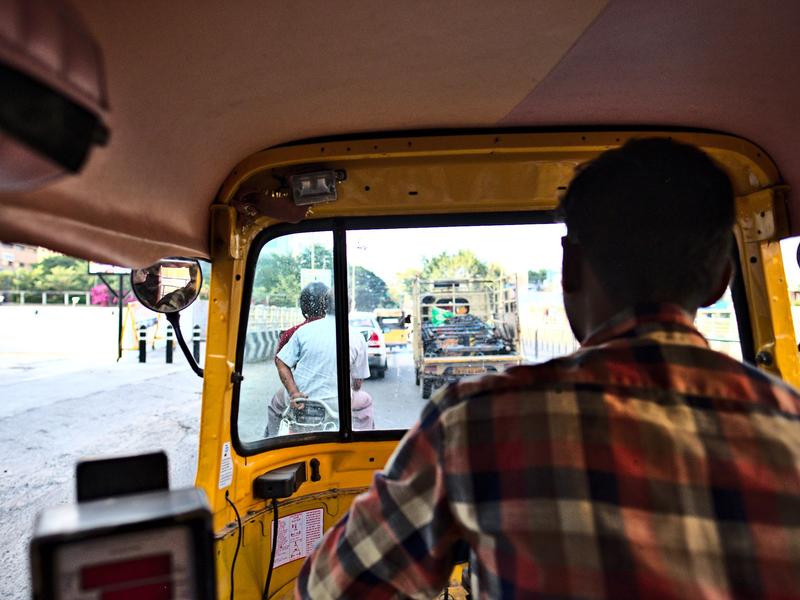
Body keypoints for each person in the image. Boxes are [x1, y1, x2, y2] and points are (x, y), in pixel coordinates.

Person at [296, 138, 800, 598]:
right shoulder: (791, 426)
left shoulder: (474, 422)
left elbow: (329, 589)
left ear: (570, 267)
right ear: (721, 280)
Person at [270, 282, 372, 436]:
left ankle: (271, 442)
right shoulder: (357, 337)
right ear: (349, 307)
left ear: (324, 305)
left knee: (275, 404)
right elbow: (357, 384)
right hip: (338, 405)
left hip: (301, 402)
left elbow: (280, 361)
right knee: (366, 402)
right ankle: (363, 442)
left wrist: (294, 393)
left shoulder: (303, 331)